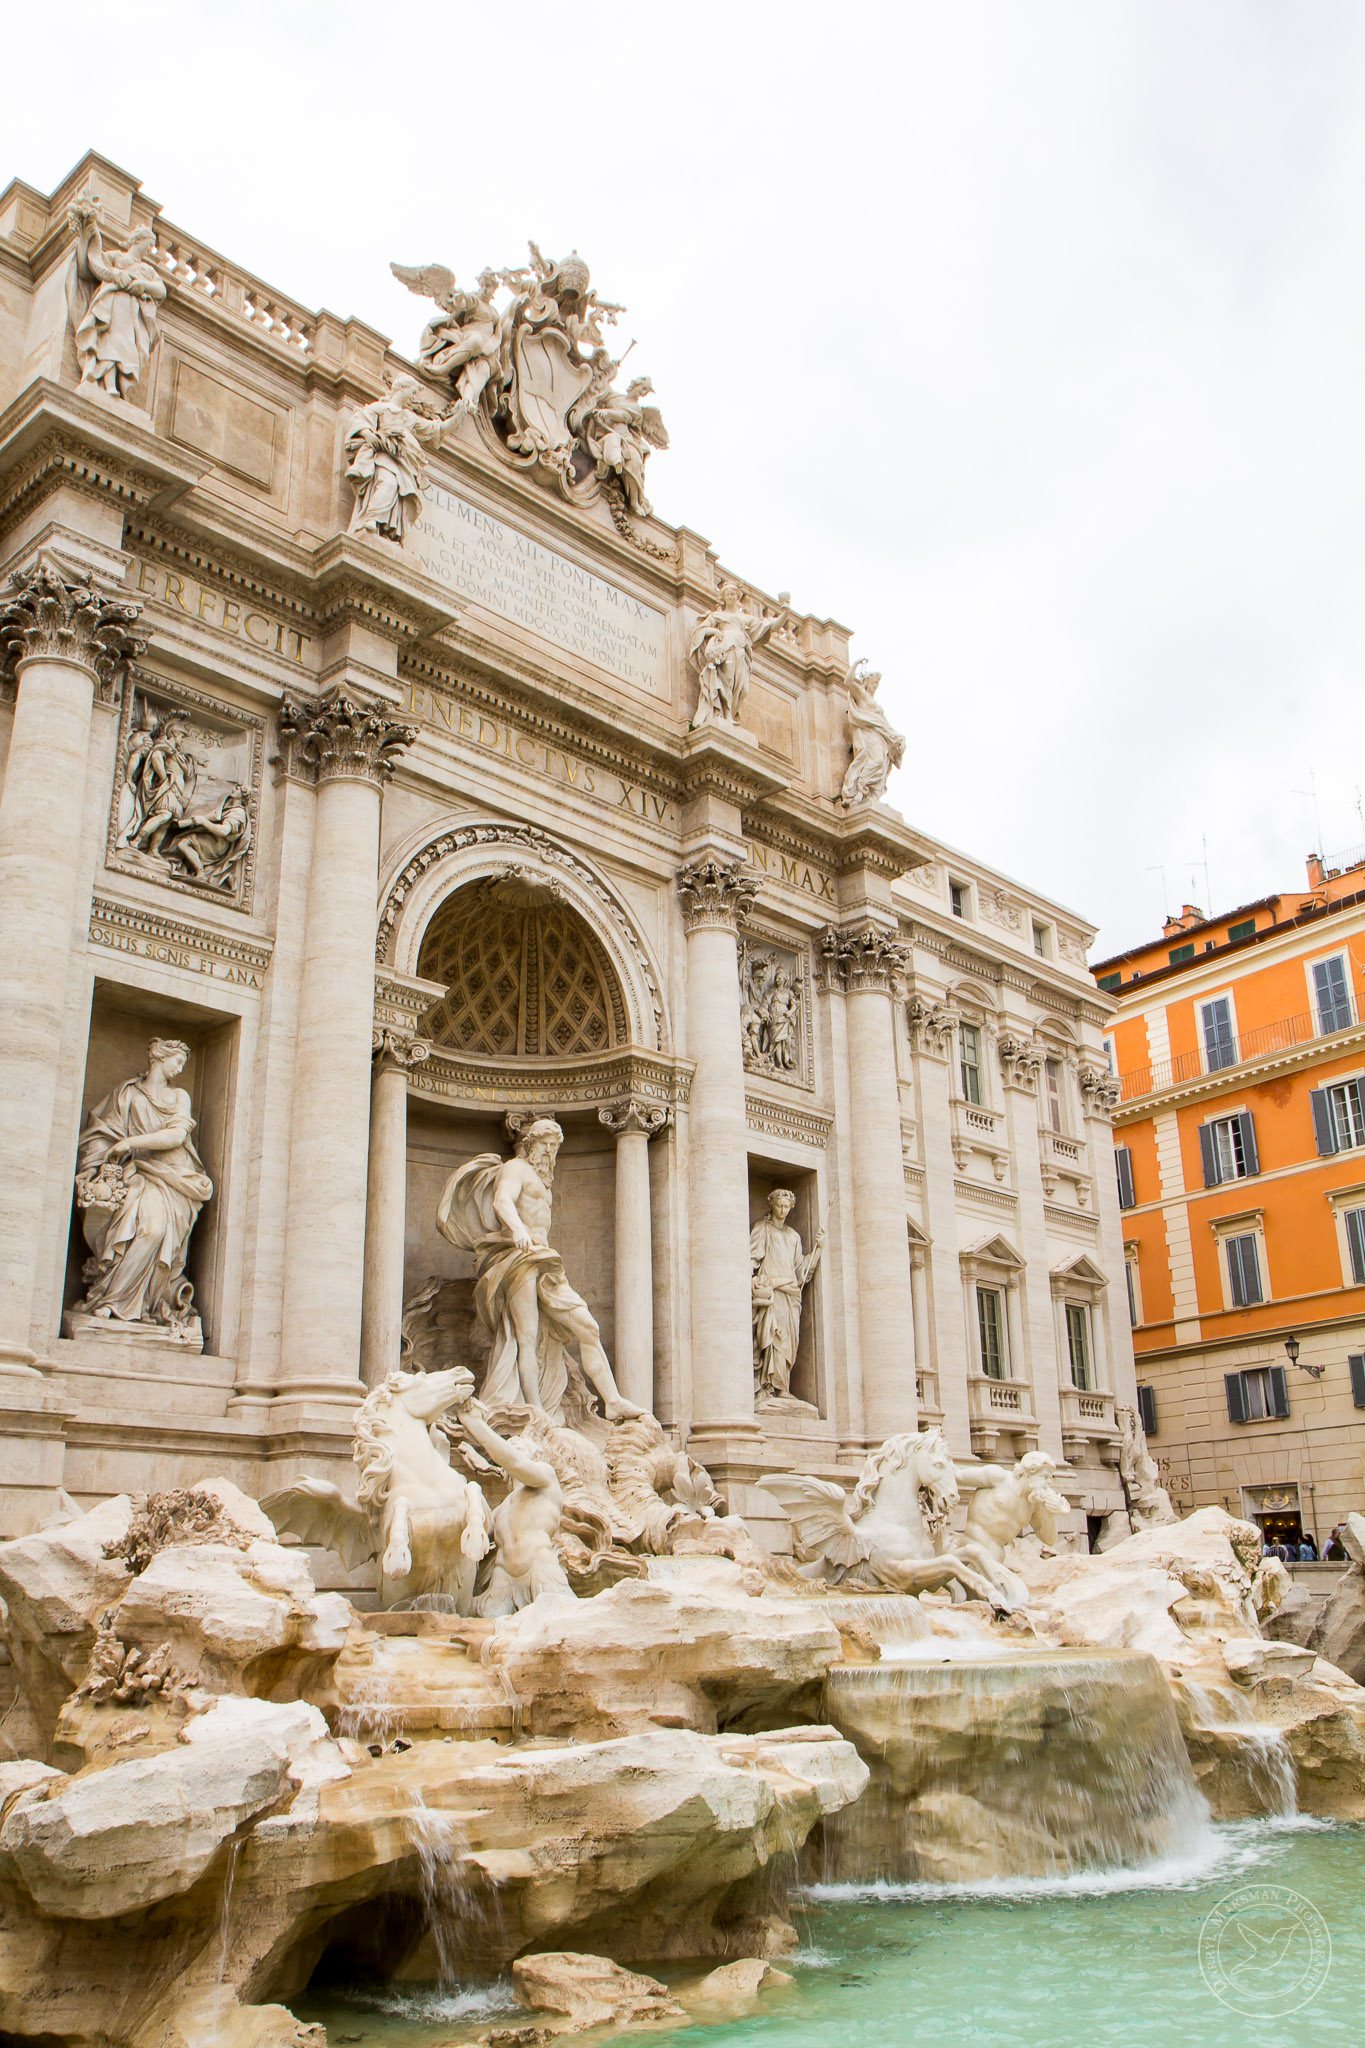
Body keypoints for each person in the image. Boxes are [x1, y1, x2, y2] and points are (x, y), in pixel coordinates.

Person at [436, 1118, 640, 1422]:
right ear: (531, 1145)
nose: (549, 1154)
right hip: (519, 1257)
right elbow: (502, 1199)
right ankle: (536, 1411)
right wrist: (517, 1229)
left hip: (544, 1258)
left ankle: (612, 1400)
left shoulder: (544, 1179)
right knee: (526, 1338)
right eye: (544, 1147)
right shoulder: (516, 1168)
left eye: (553, 1148)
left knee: (588, 1326)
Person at [73, 1038, 214, 1330]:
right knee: (131, 1228)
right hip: (135, 1173)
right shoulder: (126, 1094)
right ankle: (111, 1299)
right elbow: (101, 1131)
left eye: (185, 1063)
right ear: (160, 1059)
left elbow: (176, 1137)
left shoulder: (179, 1096)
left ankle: (136, 1302)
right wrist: (98, 1165)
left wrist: (129, 1142)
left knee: (155, 1230)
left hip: (174, 1176)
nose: (181, 1067)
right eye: (177, 1061)